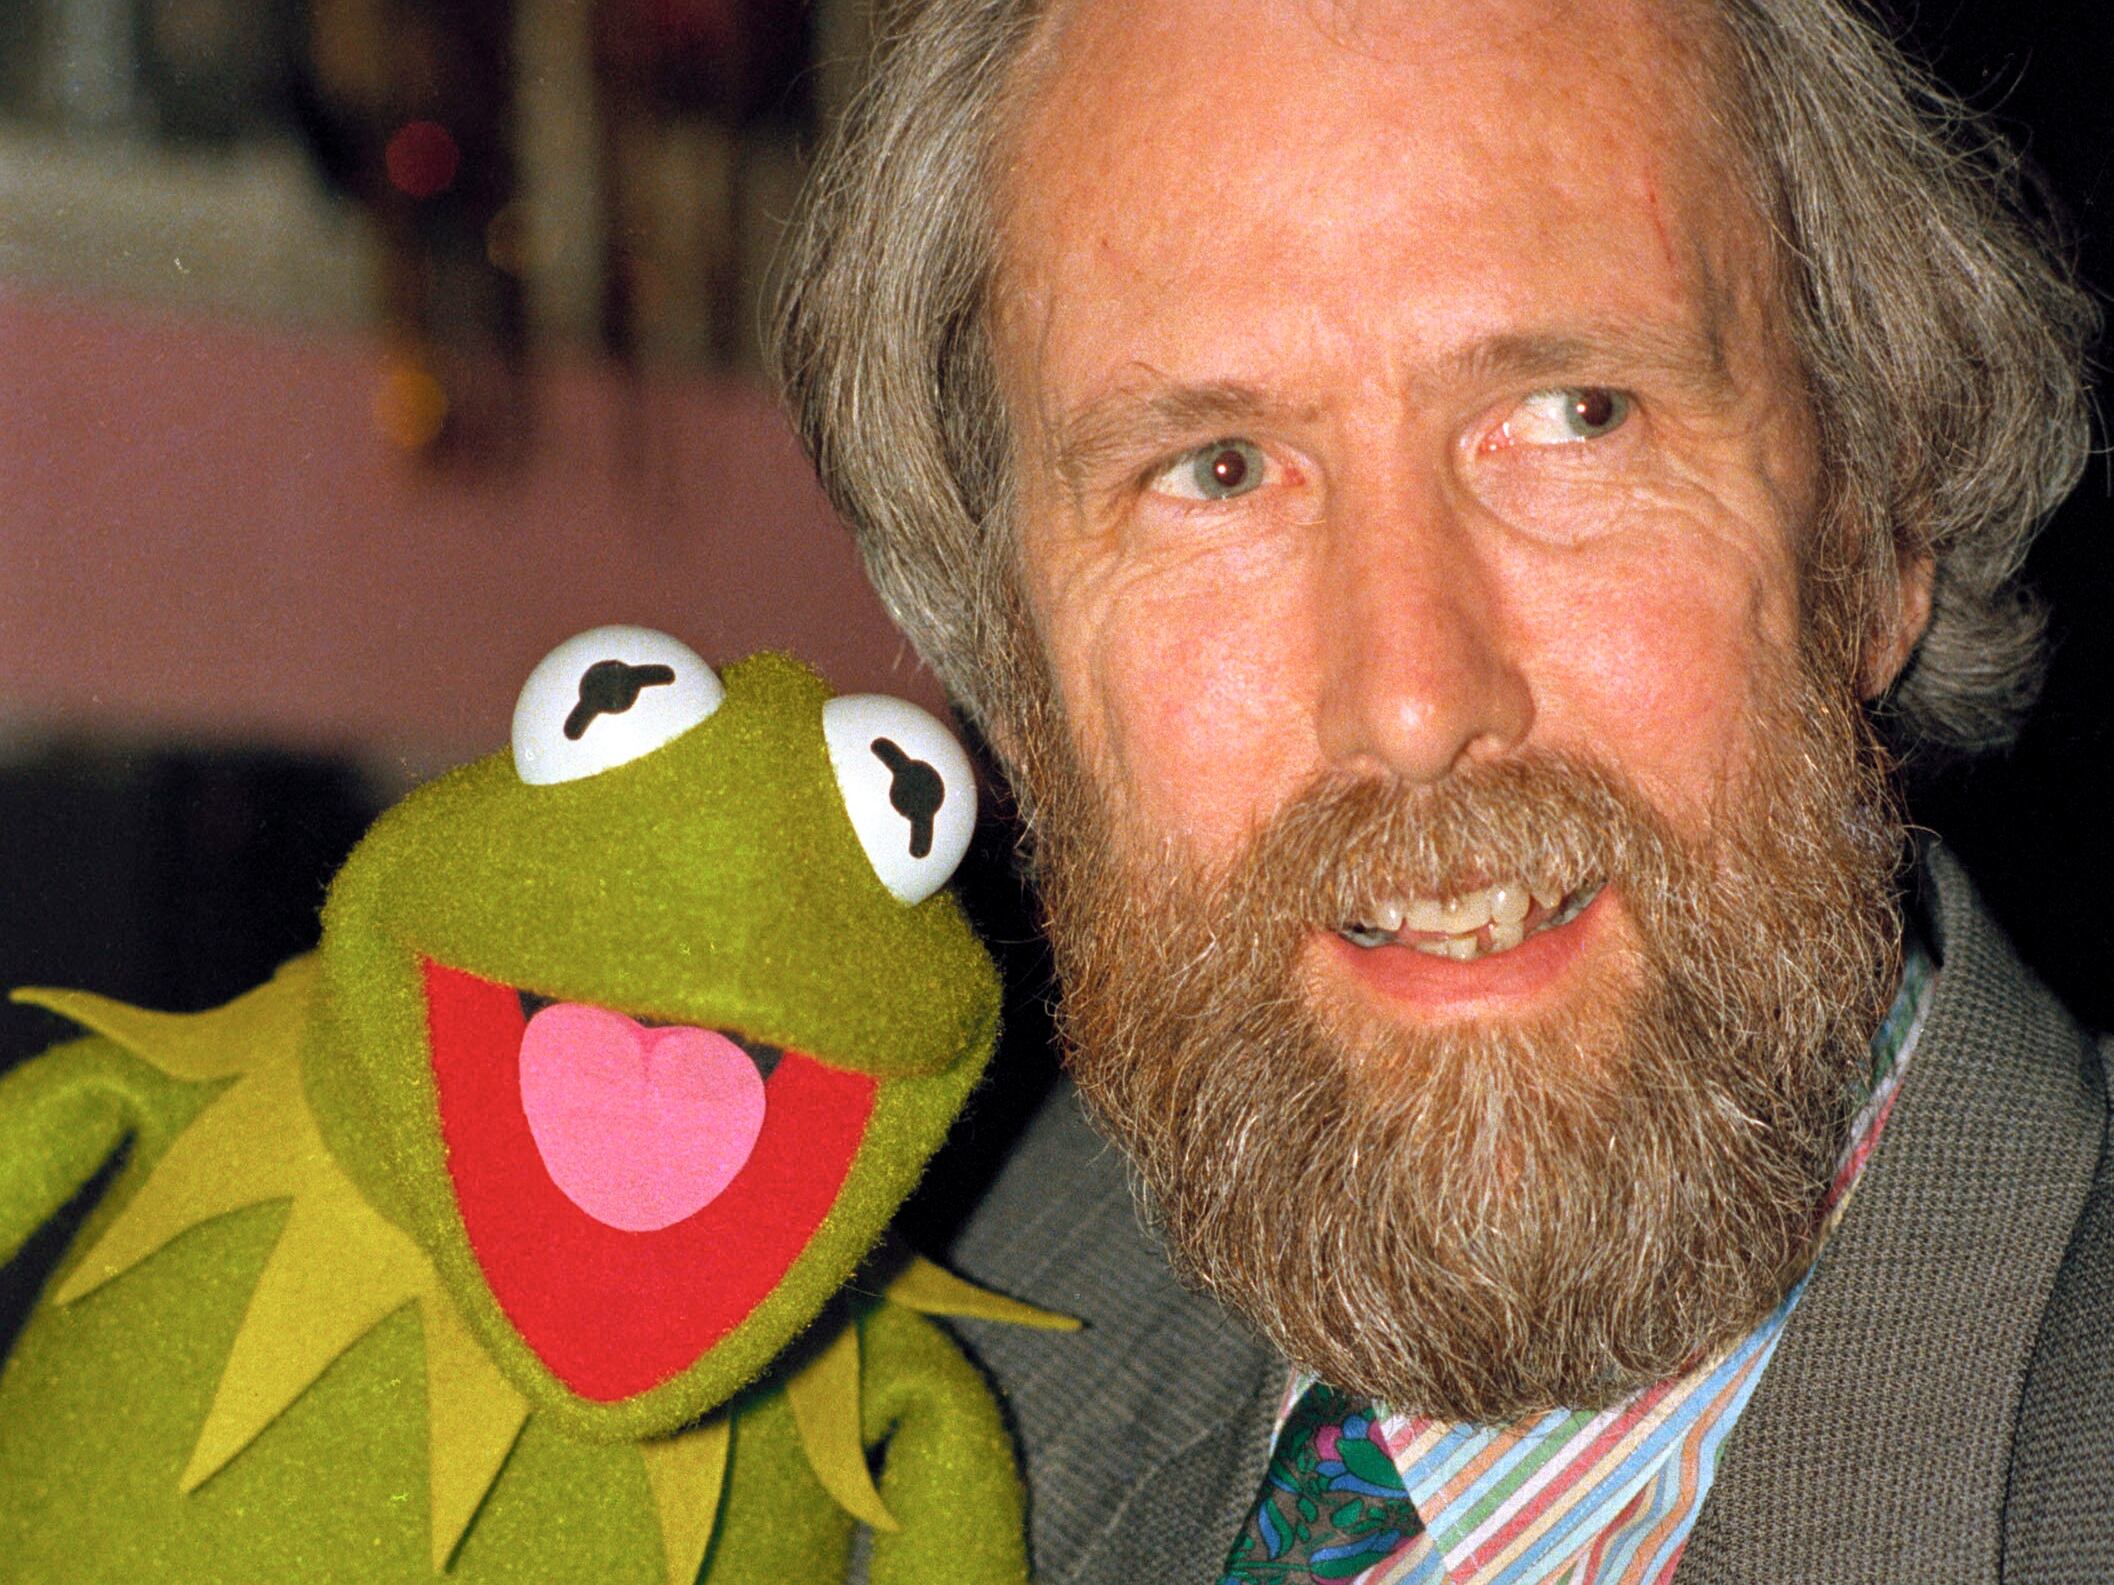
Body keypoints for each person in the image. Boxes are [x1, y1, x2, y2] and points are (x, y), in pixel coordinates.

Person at [773, 0, 2108, 1579]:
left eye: (1572, 416)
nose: (1411, 700)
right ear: (1014, 655)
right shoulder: (934, 1322)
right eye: (1216, 465)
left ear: (1877, 534)